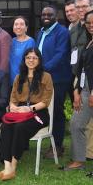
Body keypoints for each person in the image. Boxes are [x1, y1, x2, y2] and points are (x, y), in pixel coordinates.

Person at [0, 48, 53, 181]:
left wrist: (29, 108)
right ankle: (7, 165)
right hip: (20, 111)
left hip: (38, 112)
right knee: (5, 126)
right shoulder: (19, 77)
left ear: (39, 60)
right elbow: (13, 98)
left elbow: (46, 101)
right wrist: (14, 108)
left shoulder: (46, 76)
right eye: (28, 57)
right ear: (24, 60)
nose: (31, 60)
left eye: (34, 58)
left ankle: (13, 166)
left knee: (19, 127)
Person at [36, 5, 71, 158]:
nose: (46, 17)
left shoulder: (62, 32)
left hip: (57, 78)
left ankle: (57, 146)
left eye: (49, 14)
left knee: (56, 111)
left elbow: (60, 54)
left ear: (56, 16)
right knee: (47, 110)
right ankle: (51, 140)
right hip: (44, 79)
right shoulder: (41, 32)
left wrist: (43, 69)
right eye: (43, 14)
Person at [63, 10, 93, 171]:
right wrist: (77, 90)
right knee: (76, 123)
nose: (91, 26)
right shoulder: (89, 42)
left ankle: (79, 160)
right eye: (89, 23)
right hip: (85, 89)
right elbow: (82, 69)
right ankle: (79, 160)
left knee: (77, 123)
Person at [71, 0, 93, 160]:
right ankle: (84, 154)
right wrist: (77, 87)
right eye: (78, 7)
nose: (80, 10)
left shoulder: (88, 27)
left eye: (84, 6)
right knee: (82, 119)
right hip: (81, 77)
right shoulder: (76, 27)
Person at [8, 16, 36, 86]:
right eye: (16, 24)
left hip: (24, 80)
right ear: (13, 28)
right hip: (10, 79)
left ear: (26, 28)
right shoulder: (11, 41)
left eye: (21, 24)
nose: (18, 27)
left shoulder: (30, 42)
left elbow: (32, 62)